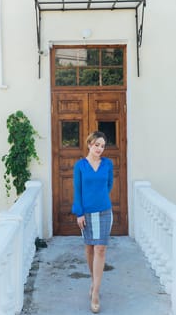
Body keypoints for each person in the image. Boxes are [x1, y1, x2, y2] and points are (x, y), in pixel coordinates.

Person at [72, 131, 113, 313]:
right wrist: (79, 213)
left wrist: (100, 198)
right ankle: (93, 280)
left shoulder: (108, 164)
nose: (99, 149)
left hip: (104, 211)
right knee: (89, 248)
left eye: (102, 146)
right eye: (97, 145)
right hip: (86, 213)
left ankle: (95, 292)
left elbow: (109, 185)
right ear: (89, 144)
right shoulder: (80, 166)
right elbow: (77, 191)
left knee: (100, 249)